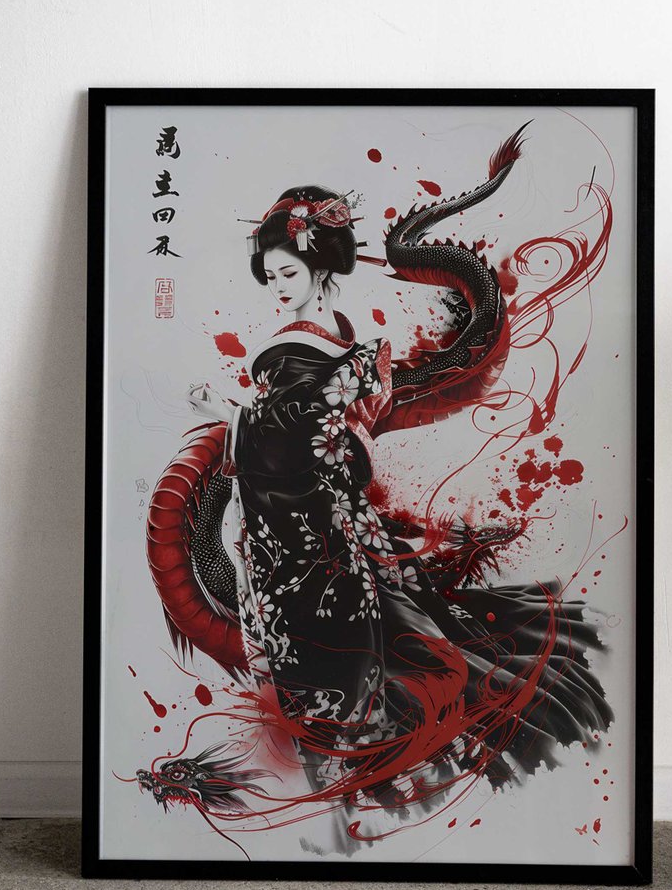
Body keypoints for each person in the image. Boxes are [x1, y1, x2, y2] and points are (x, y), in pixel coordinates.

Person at [182, 184, 613, 849]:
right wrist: (257, 423)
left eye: (288, 273)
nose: (278, 288)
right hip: (293, 534)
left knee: (354, 669)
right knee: (330, 668)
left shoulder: (333, 349)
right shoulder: (299, 348)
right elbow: (300, 427)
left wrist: (230, 413)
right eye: (271, 277)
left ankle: (362, 809)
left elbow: (308, 429)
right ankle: (343, 812)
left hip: (323, 537)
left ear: (318, 267)